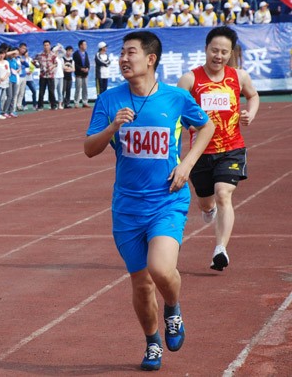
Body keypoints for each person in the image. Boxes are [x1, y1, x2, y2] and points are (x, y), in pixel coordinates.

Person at [84, 30, 215, 371]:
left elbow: (206, 127)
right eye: (121, 53)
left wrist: (187, 164)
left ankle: (173, 307)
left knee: (160, 269)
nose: (123, 59)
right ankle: (152, 341)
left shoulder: (176, 98)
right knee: (141, 284)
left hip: (167, 200)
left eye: (130, 53)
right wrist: (112, 128)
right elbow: (89, 148)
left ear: (151, 59)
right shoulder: (109, 100)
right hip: (127, 207)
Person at [177, 26, 259, 272]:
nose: (219, 56)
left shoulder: (239, 76)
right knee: (206, 202)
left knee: (223, 193)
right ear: (206, 49)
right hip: (200, 152)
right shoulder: (190, 79)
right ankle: (208, 208)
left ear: (231, 53)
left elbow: (253, 96)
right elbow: (176, 110)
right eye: (215, 50)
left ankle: (220, 249)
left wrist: (250, 114)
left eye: (224, 52)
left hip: (232, 148)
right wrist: (188, 124)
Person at [34, 40, 57, 110]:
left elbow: (56, 64)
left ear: (50, 46)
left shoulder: (53, 55)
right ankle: (40, 106)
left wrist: (51, 67)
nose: (46, 46)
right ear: (43, 46)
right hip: (42, 75)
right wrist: (36, 64)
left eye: (47, 45)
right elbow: (34, 62)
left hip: (50, 75)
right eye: (45, 45)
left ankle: (53, 105)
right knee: (41, 91)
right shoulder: (39, 55)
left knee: (51, 91)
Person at [73, 40, 91, 108]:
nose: (86, 46)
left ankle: (85, 101)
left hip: (85, 74)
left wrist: (87, 68)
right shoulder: (76, 54)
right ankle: (76, 102)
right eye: (84, 44)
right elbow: (74, 64)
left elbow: (88, 62)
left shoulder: (86, 53)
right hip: (78, 73)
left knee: (85, 88)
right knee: (78, 88)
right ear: (80, 45)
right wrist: (81, 69)